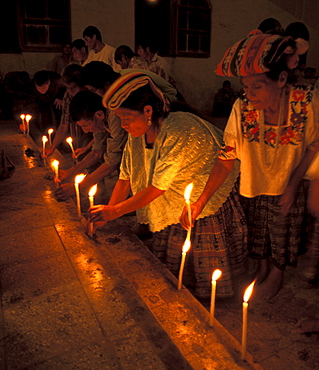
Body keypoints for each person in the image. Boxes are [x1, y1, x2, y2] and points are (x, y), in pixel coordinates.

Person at [180, 30, 319, 300]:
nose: (249, 94)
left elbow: (314, 144)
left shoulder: (306, 102)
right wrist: (200, 201)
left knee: (282, 230)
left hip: (292, 180)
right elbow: (227, 156)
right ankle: (262, 268)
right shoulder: (242, 108)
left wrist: (292, 185)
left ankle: (276, 275)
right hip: (256, 182)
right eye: (245, 86)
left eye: (257, 86)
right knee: (258, 228)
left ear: (280, 79)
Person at [88, 72, 248, 299]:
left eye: (126, 118)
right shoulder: (137, 134)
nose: (123, 126)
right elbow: (126, 176)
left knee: (199, 248)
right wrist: (108, 213)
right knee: (172, 253)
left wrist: (115, 211)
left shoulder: (178, 129)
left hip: (203, 190)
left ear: (147, 111)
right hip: (171, 194)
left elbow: (157, 188)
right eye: (119, 119)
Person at [55, 90, 127, 203]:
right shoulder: (99, 120)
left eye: (86, 125)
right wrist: (70, 172)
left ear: (99, 114)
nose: (86, 131)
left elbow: (112, 162)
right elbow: (97, 152)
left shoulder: (115, 117)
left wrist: (77, 188)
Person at [44, 64, 92, 158]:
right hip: (79, 137)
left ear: (83, 85)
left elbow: (101, 131)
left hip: (95, 138)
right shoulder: (68, 96)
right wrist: (52, 147)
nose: (70, 91)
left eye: (73, 88)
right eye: (67, 88)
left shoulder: (92, 95)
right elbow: (64, 124)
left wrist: (87, 147)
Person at [23, 70, 65, 138]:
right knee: (45, 117)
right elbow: (29, 103)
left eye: (43, 88)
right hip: (42, 101)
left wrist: (60, 97)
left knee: (58, 117)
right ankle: (49, 136)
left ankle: (59, 137)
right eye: (38, 88)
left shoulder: (58, 82)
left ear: (48, 83)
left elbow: (68, 87)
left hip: (56, 99)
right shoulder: (32, 88)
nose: (41, 90)